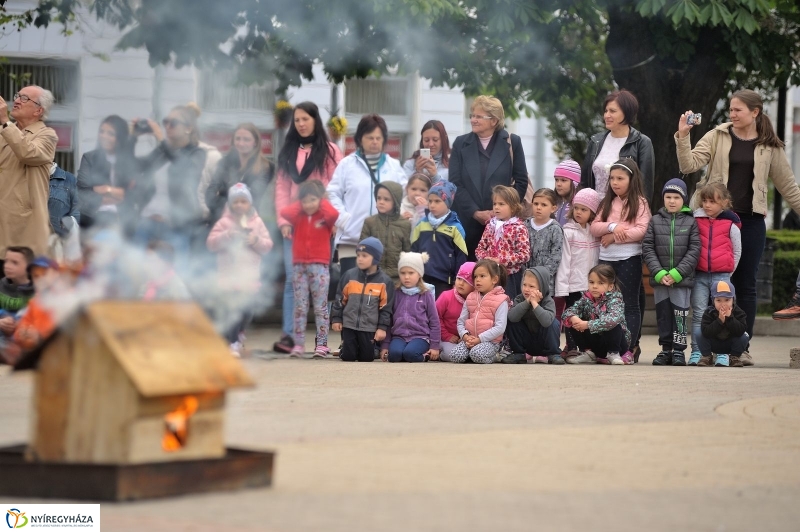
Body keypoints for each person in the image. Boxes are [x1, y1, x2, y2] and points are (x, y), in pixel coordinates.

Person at [676, 89, 800, 366]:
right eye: (730, 109)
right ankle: (709, 347)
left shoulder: (770, 146)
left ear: (755, 112)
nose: (731, 114)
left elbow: (789, 187)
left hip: (751, 221)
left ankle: (740, 347)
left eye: (737, 110)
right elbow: (689, 164)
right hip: (715, 221)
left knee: (746, 285)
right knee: (712, 285)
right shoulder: (718, 135)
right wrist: (683, 136)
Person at [274, 102, 343, 354]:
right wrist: (283, 222)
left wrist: (333, 221)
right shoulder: (288, 151)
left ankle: (321, 342)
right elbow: (281, 189)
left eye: (305, 119)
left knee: (319, 286)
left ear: (315, 120)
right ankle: (291, 338)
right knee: (293, 282)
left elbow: (336, 188)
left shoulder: (331, 151)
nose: (301, 124)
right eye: (297, 120)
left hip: (322, 225)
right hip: (294, 224)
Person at [327, 114, 407, 274]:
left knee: (380, 293)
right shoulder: (347, 165)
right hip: (352, 240)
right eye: (370, 137)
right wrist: (343, 219)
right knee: (352, 290)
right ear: (360, 138)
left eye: (378, 137)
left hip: (385, 243)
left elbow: (404, 196)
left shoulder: (394, 166)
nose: (375, 142)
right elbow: (331, 194)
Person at [449, 95, 528, 257]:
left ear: (494, 121)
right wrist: (475, 212)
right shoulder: (460, 143)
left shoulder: (512, 142)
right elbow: (455, 183)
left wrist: (502, 210)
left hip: (502, 227)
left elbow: (521, 181)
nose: (473, 120)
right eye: (472, 115)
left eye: (479, 116)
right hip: (467, 224)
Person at [590, 158, 651, 363]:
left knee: (629, 305)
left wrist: (613, 237)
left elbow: (641, 230)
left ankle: (628, 348)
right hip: (606, 260)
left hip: (629, 259)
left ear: (631, 179)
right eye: (612, 178)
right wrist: (612, 227)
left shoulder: (640, 203)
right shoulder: (607, 202)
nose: (615, 182)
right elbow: (595, 227)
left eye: (620, 178)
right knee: (603, 304)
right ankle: (605, 348)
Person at [134, 105, 207, 268]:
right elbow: (136, 167)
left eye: (173, 123)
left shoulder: (197, 154)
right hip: (147, 221)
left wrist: (160, 138)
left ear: (188, 128)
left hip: (176, 225)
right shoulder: (161, 151)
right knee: (137, 273)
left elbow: (181, 170)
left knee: (177, 276)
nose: (167, 127)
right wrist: (132, 138)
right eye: (165, 122)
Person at [206, 183, 273, 356]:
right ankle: (232, 341)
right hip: (229, 277)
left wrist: (256, 240)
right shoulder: (224, 223)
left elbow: (267, 245)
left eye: (243, 201)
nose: (239, 205)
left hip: (249, 277)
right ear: (230, 204)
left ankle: (238, 334)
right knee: (233, 309)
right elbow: (211, 244)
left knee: (247, 310)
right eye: (235, 202)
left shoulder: (257, 223)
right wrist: (226, 235)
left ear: (249, 203)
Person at [279, 180, 341, 358]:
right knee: (300, 307)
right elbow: (285, 212)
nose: (308, 204)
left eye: (312, 200)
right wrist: (301, 201)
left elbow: (334, 213)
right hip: (299, 266)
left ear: (320, 200)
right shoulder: (298, 215)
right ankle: (298, 344)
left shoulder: (325, 217)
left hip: (319, 266)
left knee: (321, 307)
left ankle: (322, 344)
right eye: (304, 201)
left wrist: (321, 201)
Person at [642, 179, 700, 366]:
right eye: (668, 197)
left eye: (676, 197)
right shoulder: (655, 220)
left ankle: (679, 351)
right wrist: (659, 273)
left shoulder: (691, 222)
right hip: (660, 281)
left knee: (680, 316)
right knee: (664, 315)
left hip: (681, 281)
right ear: (663, 198)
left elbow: (694, 250)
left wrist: (677, 273)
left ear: (684, 199)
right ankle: (665, 350)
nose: (672, 201)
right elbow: (648, 248)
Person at [0, 86, 58, 258]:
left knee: (18, 282)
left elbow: (28, 153)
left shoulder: (47, 135)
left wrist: (4, 120)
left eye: (24, 98)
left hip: (24, 233)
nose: (16, 101)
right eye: (17, 96)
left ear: (38, 111)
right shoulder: (4, 131)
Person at [688, 183, 742, 365]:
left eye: (712, 201)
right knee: (699, 314)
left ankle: (722, 353)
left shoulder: (731, 224)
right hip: (700, 275)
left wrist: (727, 272)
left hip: (722, 276)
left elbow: (737, 251)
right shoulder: (696, 220)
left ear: (725, 202)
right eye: (704, 201)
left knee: (724, 313)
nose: (707, 205)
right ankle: (698, 352)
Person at [581, 89, 655, 202]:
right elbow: (585, 182)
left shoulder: (642, 143)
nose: (607, 115)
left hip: (624, 211)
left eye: (612, 111)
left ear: (627, 113)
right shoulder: (595, 141)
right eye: (605, 111)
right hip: (593, 210)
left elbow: (645, 187)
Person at [331, 237, 395, 362]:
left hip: (368, 327)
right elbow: (339, 299)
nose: (360, 259)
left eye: (364, 256)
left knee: (367, 358)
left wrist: (382, 328)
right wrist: (337, 318)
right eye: (358, 255)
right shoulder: (349, 276)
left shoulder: (385, 282)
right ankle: (345, 347)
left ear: (376, 258)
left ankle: (373, 348)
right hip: (349, 325)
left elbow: (386, 308)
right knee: (348, 357)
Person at [555, 188, 601, 358]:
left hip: (592, 286)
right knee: (572, 315)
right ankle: (572, 346)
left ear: (593, 212)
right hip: (574, 284)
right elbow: (564, 262)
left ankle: (588, 348)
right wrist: (562, 287)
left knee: (590, 316)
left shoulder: (595, 233)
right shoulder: (568, 232)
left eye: (584, 209)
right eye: (576, 208)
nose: (579, 212)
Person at [76, 115, 141, 232]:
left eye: (110, 134)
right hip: (92, 221)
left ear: (120, 138)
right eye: (102, 131)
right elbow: (82, 193)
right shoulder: (89, 158)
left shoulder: (128, 162)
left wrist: (106, 189)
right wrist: (116, 195)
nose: (104, 136)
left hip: (124, 223)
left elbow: (133, 195)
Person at [563, 264, 632, 365]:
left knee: (612, 323)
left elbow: (612, 319)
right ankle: (588, 353)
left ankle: (613, 354)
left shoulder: (615, 299)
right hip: (597, 345)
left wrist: (588, 324)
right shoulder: (586, 297)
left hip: (618, 345)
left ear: (610, 286)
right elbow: (567, 312)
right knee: (572, 320)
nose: (594, 286)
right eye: (591, 282)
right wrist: (573, 318)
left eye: (600, 283)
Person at [205, 123, 273, 224]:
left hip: (248, 223)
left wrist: (221, 199)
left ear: (255, 142)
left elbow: (252, 198)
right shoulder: (224, 162)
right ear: (233, 141)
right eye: (238, 139)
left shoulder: (266, 167)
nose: (241, 143)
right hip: (219, 221)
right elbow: (210, 193)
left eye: (246, 139)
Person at [380, 252, 441, 363]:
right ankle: (402, 353)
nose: (406, 277)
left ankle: (423, 355)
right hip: (399, 336)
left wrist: (435, 346)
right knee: (393, 356)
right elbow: (389, 321)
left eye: (411, 273)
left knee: (411, 354)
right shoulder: (396, 293)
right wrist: (385, 345)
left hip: (420, 337)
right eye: (403, 273)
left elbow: (434, 321)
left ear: (419, 274)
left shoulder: (426, 294)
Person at [410, 181, 468, 297]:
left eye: (437, 201)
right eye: (430, 201)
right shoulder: (421, 224)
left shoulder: (455, 228)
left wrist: (458, 280)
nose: (432, 205)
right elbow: (413, 251)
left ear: (448, 203)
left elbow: (461, 257)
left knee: (439, 312)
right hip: (422, 278)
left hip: (445, 281)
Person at [449, 259, 511, 364]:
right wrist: (465, 336)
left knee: (477, 355)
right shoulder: (471, 297)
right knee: (455, 356)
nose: (477, 280)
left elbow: (500, 327)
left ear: (494, 279)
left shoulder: (501, 299)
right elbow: (461, 321)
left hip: (490, 342)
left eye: (482, 276)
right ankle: (472, 354)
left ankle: (497, 355)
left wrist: (480, 339)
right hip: (470, 339)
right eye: (475, 276)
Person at [475, 185, 530, 300]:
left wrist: (501, 261)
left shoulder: (519, 227)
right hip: (489, 275)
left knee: (507, 304)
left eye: (501, 204)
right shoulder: (490, 225)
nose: (497, 207)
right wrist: (486, 260)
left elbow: (524, 255)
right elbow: (480, 248)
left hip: (509, 277)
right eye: (495, 204)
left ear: (513, 207)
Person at [503, 266, 563, 365]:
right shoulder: (519, 299)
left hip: (544, 344)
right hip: (527, 344)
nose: (526, 289)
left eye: (531, 286)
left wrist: (535, 303)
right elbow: (512, 317)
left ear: (542, 287)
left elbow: (547, 321)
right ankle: (519, 353)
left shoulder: (548, 301)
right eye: (524, 285)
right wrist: (527, 302)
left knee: (553, 322)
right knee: (512, 318)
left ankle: (553, 354)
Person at [359, 181, 411, 282]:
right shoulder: (369, 222)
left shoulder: (405, 224)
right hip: (372, 276)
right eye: (379, 198)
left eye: (386, 199)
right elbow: (362, 249)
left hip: (396, 279)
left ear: (395, 202)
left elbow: (407, 252)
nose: (381, 202)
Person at [698, 280, 749, 367]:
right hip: (715, 343)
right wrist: (720, 320)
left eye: (727, 300)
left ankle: (734, 357)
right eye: (718, 300)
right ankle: (707, 356)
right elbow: (706, 331)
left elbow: (740, 330)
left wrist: (730, 318)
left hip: (730, 344)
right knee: (698, 333)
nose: (723, 304)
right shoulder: (709, 312)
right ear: (713, 301)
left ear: (733, 300)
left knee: (745, 336)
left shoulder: (739, 312)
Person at [525, 188, 563, 299]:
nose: (539, 207)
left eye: (544, 205)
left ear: (553, 208)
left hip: (545, 282)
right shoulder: (525, 225)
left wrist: (541, 276)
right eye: (536, 204)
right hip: (525, 280)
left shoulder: (555, 229)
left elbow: (555, 257)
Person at [435, 261, 475, 362]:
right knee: (451, 355)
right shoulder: (446, 296)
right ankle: (438, 353)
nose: (461, 283)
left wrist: (467, 337)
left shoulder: (477, 300)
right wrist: (447, 336)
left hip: (465, 339)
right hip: (444, 337)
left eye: (466, 281)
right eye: (459, 279)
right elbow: (435, 318)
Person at [48, 161, 81, 264]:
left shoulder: (69, 180)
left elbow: (78, 212)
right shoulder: (25, 177)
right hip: (31, 244)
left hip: (60, 246)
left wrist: (67, 223)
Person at [0, 247, 34, 317]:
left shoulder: (36, 291)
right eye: (6, 261)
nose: (7, 266)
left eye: (14, 263)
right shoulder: (1, 285)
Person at [553, 159, 582, 226]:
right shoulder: (552, 202)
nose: (558, 184)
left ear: (574, 183)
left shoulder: (578, 205)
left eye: (563, 180)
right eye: (556, 180)